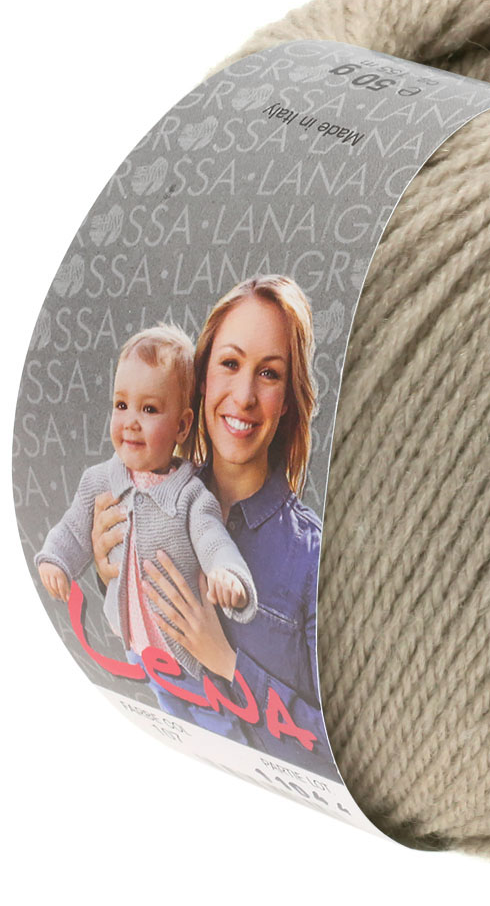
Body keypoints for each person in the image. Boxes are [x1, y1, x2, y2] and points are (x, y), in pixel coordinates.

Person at [90, 278, 335, 776]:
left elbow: (333, 755)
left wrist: (228, 664)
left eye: (269, 374)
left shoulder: (314, 561)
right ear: (201, 380)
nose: (243, 396)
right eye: (229, 364)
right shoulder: (141, 491)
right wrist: (104, 570)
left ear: (288, 399)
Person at [36, 325, 258, 730]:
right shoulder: (99, 481)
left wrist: (227, 574)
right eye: (121, 405)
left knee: (212, 724)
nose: (131, 422)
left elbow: (213, 539)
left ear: (182, 427)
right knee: (165, 715)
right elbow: (72, 529)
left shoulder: (190, 496)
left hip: (185, 653)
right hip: (136, 644)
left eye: (149, 410)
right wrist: (56, 560)